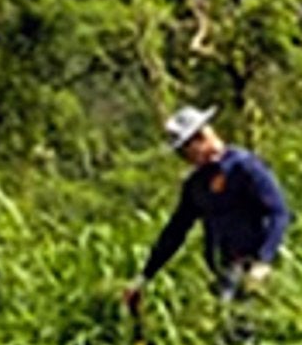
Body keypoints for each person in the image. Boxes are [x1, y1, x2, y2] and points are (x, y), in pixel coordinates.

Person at [123, 107, 290, 306]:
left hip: (255, 267)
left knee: (243, 326)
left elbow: (278, 213)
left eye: (185, 149)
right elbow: (176, 231)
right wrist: (144, 277)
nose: (185, 157)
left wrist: (264, 261)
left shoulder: (244, 167)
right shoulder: (197, 184)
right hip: (225, 271)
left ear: (201, 138)